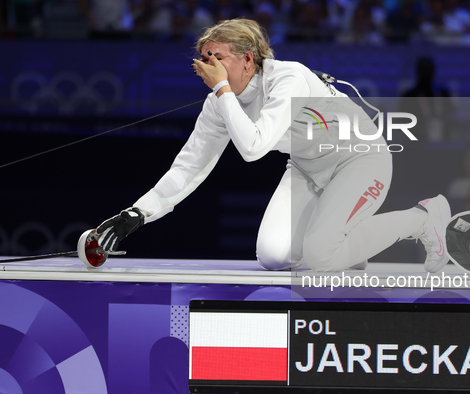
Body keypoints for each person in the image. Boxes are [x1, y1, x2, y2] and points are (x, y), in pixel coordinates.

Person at [95, 18, 451, 273]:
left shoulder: (288, 78)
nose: (208, 68)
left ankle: (422, 219)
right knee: (273, 257)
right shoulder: (220, 103)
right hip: (307, 169)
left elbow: (254, 148)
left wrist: (221, 91)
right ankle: (346, 244)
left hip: (360, 160)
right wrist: (139, 212)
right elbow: (190, 166)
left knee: (320, 255)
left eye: (217, 58)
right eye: (204, 59)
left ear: (248, 59)